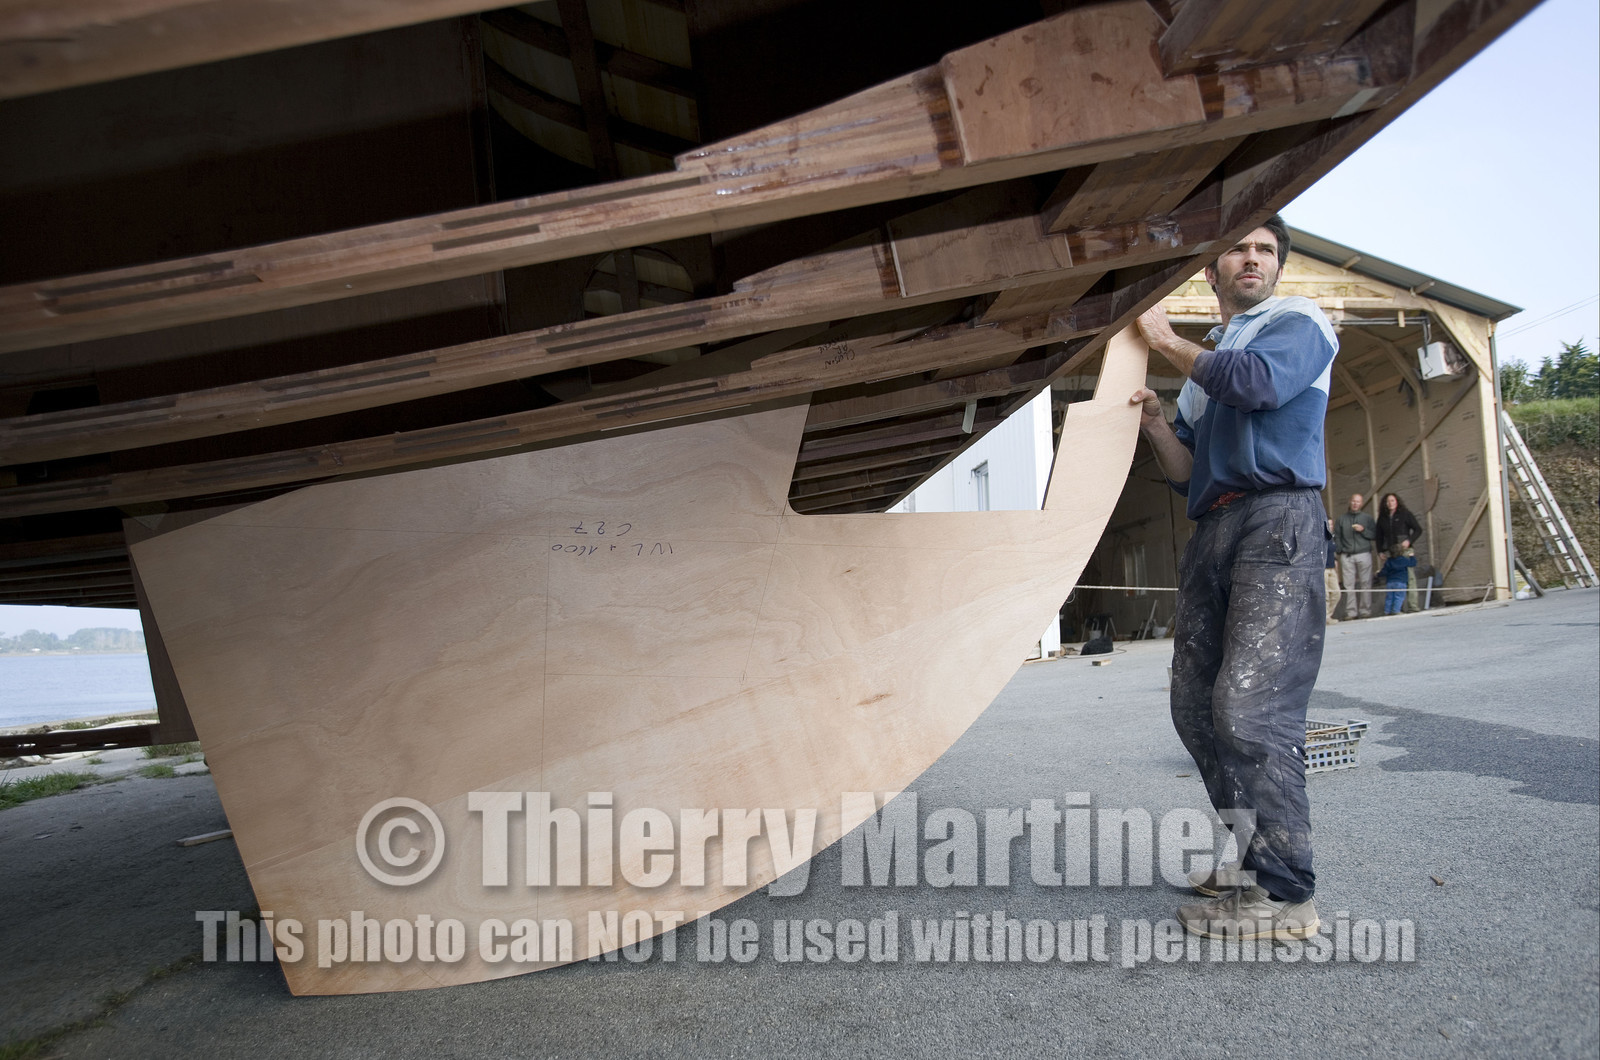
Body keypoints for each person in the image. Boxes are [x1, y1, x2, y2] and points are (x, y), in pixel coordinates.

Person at [1130, 215, 1335, 943]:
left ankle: (1285, 898)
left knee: (1250, 709)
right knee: (1195, 706)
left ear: (1277, 267)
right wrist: (1157, 421)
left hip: (1279, 519)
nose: (1252, 259)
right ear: (1209, 271)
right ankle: (1252, 858)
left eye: (1266, 250)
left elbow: (1257, 387)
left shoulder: (1296, 322)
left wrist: (1164, 342)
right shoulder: (1214, 354)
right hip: (1215, 527)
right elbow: (1185, 471)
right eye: (1238, 249)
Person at [1376, 493, 1423, 613]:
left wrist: (1409, 540)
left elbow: (1418, 529)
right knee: (1393, 580)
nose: (1390, 503)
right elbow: (1379, 536)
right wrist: (1380, 551)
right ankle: (1397, 608)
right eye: (1388, 501)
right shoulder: (1382, 517)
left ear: (1397, 502)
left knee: (1409, 578)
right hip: (1391, 552)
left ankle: (1413, 606)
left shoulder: (1405, 514)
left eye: (1392, 500)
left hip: (1405, 551)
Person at [1333, 494, 1376, 619]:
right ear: (1350, 502)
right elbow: (1337, 537)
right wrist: (1340, 550)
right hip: (1347, 555)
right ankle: (1351, 612)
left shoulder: (1367, 518)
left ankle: (1365, 611)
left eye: (1358, 502)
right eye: (1353, 501)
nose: (1355, 504)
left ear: (1361, 503)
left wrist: (1363, 530)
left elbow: (1374, 535)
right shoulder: (1341, 519)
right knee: (1348, 585)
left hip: (1364, 553)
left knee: (1366, 583)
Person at [1380, 545, 1417, 615]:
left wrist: (1378, 574)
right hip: (1401, 582)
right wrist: (1412, 557)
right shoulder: (1404, 560)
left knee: (1389, 597)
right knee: (1399, 597)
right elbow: (1413, 563)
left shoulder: (1389, 561)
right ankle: (1396, 610)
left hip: (1390, 582)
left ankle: (1387, 611)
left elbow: (1384, 571)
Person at [1324, 517, 1340, 624]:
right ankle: (1325, 617)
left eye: (1331, 524)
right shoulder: (1321, 538)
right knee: (1325, 594)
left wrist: (1336, 561)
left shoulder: (1332, 538)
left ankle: (1328, 614)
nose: (1330, 527)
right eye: (1328, 524)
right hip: (1323, 569)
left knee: (1336, 593)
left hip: (1332, 567)